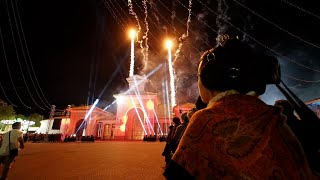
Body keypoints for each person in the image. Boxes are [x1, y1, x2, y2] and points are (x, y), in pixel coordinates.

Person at [164, 38, 315, 179]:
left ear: (209, 78)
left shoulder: (206, 120)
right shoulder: (271, 115)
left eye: (199, 76)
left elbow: (177, 174)